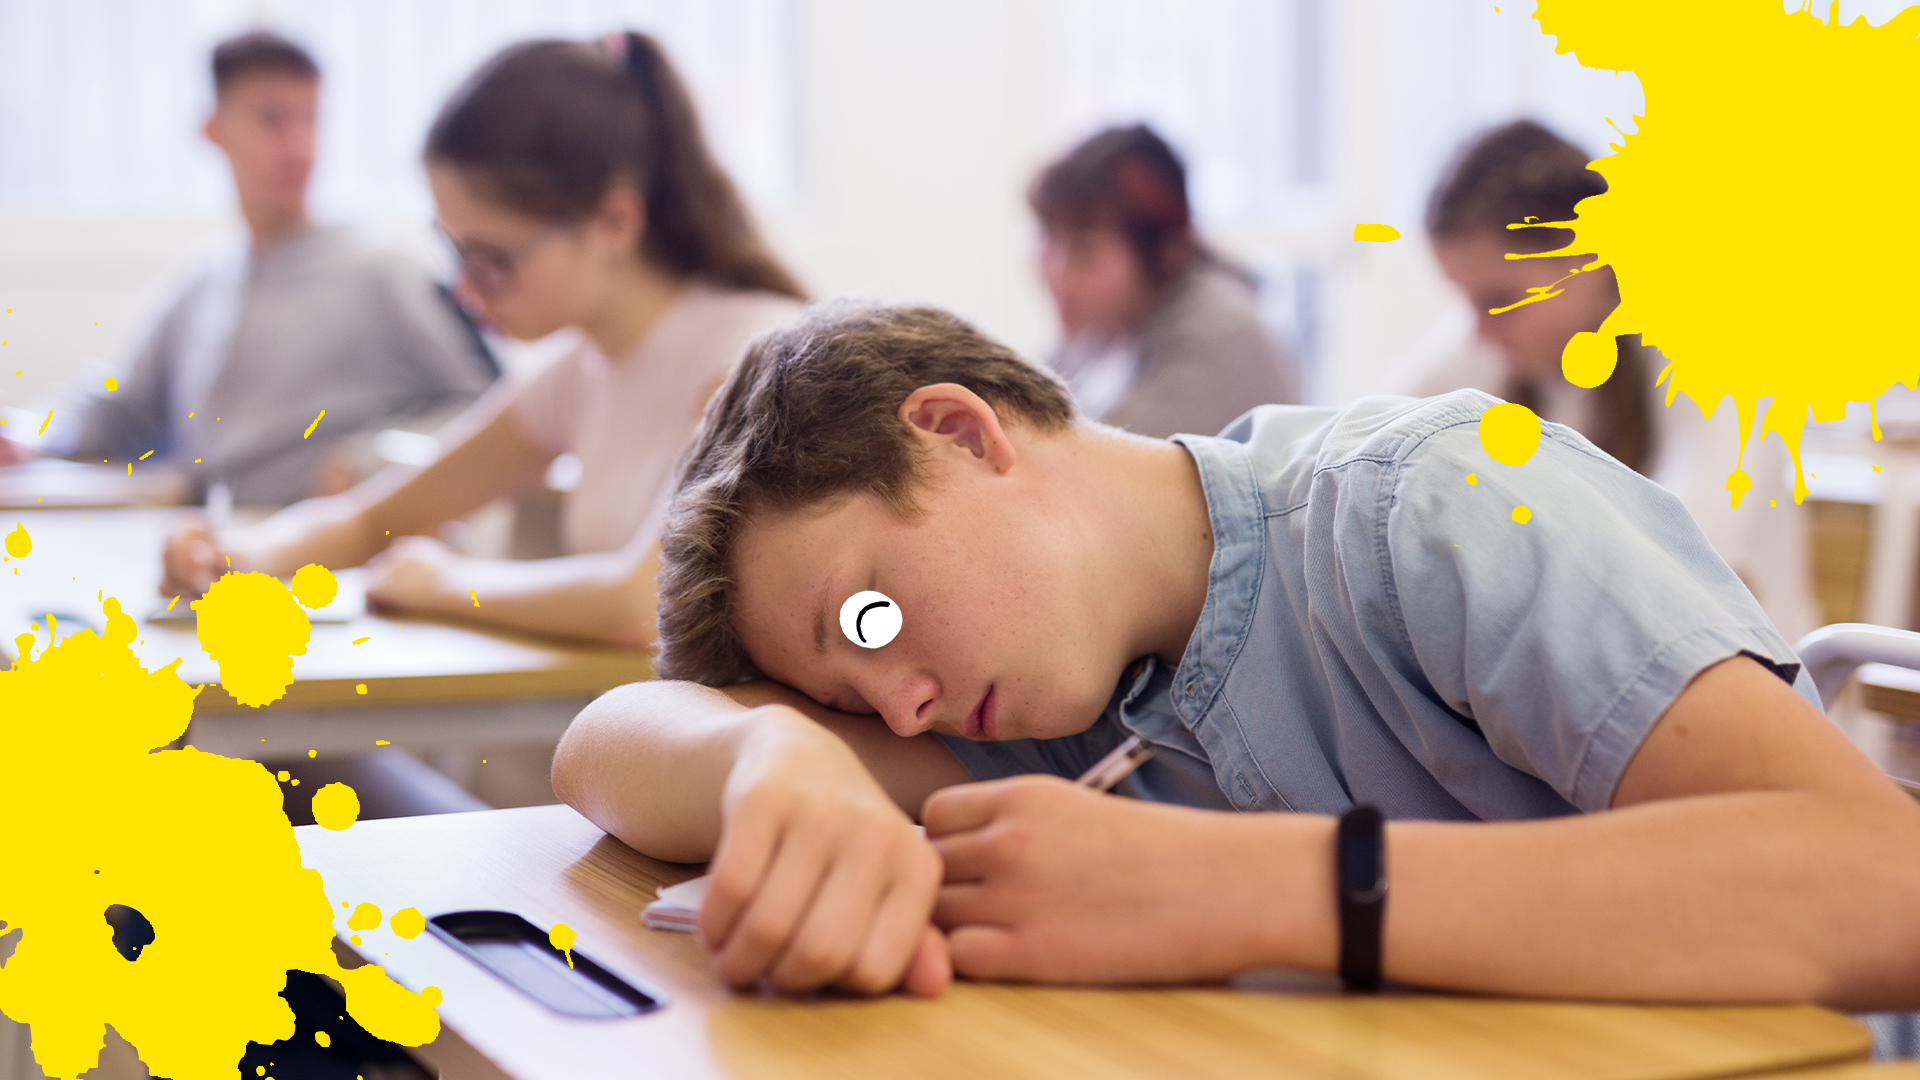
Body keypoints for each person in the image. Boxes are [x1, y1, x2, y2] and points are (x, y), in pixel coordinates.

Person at [551, 302, 1920, 1005]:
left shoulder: (1429, 508)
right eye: (852, 693)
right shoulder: (1031, 687)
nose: (897, 699)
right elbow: (601, 748)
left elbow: (1884, 887)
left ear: (961, 433)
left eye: (868, 616)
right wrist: (774, 753)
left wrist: (1253, 886)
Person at [159, 32, 806, 645]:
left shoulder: (749, 355)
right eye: (454, 253)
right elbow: (370, 519)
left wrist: (446, 587)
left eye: (492, 258)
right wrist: (236, 555)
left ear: (615, 222)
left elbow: (645, 602)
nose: (466, 293)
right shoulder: (582, 371)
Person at [0, 31, 496, 506]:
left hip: (321, 541)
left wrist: (369, 460)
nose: (299, 146)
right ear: (214, 130)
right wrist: (27, 435)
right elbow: (120, 408)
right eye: (273, 120)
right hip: (206, 532)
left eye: (311, 120)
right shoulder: (203, 285)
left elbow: (488, 408)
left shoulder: (384, 272)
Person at [1414, 119, 1819, 641]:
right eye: (1464, 298)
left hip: (1737, 679)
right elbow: (1365, 455)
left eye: (1497, 299)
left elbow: (1684, 556)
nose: (1479, 329)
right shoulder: (1496, 341)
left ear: (1587, 258)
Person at [1032, 124, 1300, 438]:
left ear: (1164, 253)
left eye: (1084, 253)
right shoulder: (1106, 322)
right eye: (1049, 239)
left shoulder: (1219, 335)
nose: (1057, 272)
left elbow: (1087, 466)